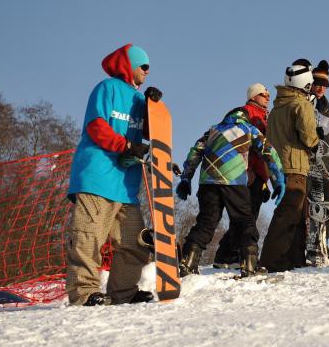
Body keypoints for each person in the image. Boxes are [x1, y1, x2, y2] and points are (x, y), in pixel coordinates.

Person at [66, 44, 162, 306]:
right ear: (127, 65)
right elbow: (97, 126)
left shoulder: (140, 100)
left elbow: (152, 133)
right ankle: (84, 293)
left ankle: (123, 292)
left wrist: (153, 107)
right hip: (97, 177)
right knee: (88, 238)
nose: (147, 70)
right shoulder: (106, 88)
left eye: (149, 66)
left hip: (126, 185)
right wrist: (127, 145)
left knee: (135, 242)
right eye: (143, 65)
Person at [175, 106, 285, 277]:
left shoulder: (212, 130)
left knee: (206, 222)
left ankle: (188, 262)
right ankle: (249, 264)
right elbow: (269, 151)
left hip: (208, 182)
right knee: (244, 222)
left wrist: (186, 178)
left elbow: (195, 151)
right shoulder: (248, 129)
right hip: (234, 181)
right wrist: (279, 180)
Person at [259, 61, 320, 272]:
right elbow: (309, 138)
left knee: (296, 214)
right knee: (287, 214)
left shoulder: (276, 108)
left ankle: (294, 258)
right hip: (294, 166)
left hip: (277, 166)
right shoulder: (301, 104)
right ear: (305, 84)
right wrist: (317, 140)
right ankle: (270, 260)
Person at [213, 83, 273, 268]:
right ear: (254, 96)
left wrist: (265, 181)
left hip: (260, 174)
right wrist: (249, 170)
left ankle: (228, 254)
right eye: (264, 94)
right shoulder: (245, 113)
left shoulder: (265, 116)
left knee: (249, 216)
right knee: (245, 217)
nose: (267, 97)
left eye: (268, 95)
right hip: (246, 172)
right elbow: (242, 145)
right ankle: (229, 255)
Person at [309, 60, 329, 255]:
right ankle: (308, 245)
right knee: (311, 205)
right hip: (309, 163)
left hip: (326, 165)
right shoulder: (305, 102)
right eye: (317, 83)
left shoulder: (328, 109)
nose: (321, 88)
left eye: (325, 85)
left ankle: (323, 243)